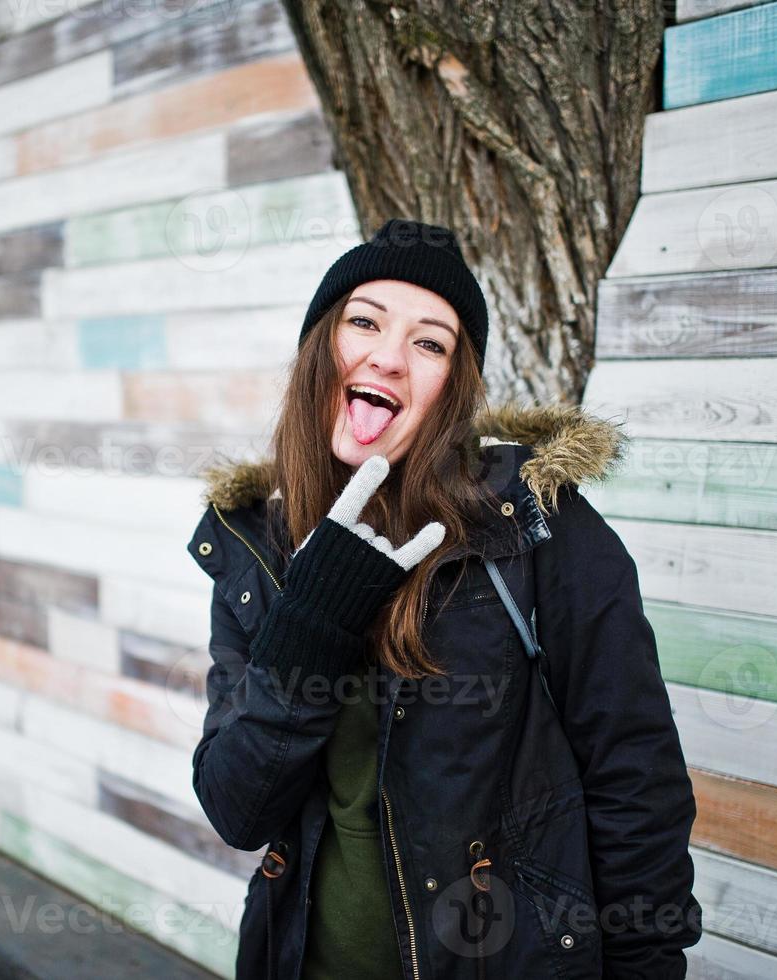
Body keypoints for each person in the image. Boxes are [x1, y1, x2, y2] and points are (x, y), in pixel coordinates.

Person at [186, 219, 701, 980]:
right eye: (363, 321)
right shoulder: (253, 548)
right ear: (317, 350)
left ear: (450, 389)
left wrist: (644, 967)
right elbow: (238, 809)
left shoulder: (531, 528)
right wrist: (312, 619)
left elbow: (635, 778)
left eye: (429, 343)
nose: (387, 356)